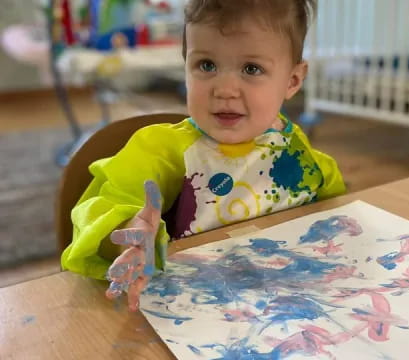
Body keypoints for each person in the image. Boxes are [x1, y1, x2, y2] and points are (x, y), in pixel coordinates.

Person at [61, 0, 345, 311]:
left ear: (292, 81)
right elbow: (101, 211)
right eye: (206, 65)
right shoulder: (163, 149)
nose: (224, 89)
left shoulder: (290, 144)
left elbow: (330, 195)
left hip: (281, 301)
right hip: (193, 306)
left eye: (251, 68)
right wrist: (131, 233)